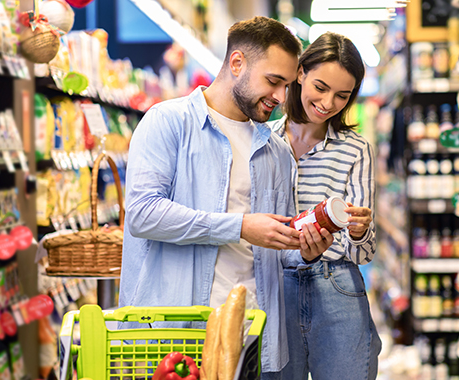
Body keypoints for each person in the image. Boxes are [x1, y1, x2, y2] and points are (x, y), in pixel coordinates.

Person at [118, 16, 334, 377]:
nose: (281, 98)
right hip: (173, 334)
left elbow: (274, 254)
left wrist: (304, 252)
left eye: (287, 85)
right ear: (237, 63)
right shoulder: (167, 122)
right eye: (273, 81)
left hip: (250, 339)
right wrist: (239, 227)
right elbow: (143, 214)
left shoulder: (277, 152)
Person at [268, 32, 382, 380]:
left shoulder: (356, 149)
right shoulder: (264, 141)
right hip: (276, 287)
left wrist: (360, 232)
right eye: (320, 86)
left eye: (342, 95)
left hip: (337, 288)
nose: (328, 102)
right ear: (300, 73)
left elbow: (364, 254)